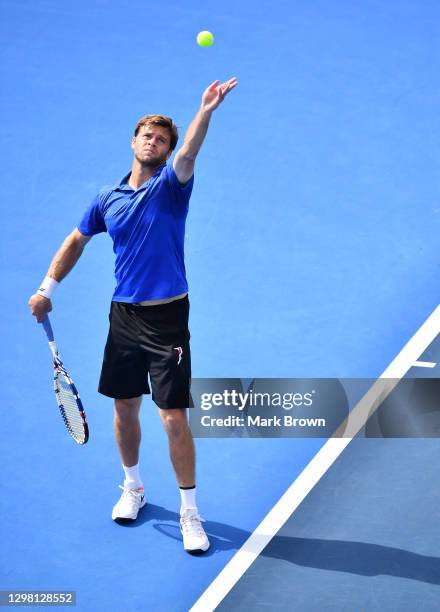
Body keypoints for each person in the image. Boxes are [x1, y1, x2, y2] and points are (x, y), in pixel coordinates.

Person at [28, 77, 238, 553]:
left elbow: (190, 155)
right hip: (123, 317)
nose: (155, 142)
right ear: (134, 142)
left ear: (166, 152)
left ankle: (190, 512)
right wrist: (47, 288)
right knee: (124, 408)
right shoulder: (108, 198)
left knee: (173, 419)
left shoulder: (171, 186)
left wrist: (205, 111)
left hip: (167, 321)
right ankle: (134, 487)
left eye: (162, 139)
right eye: (148, 135)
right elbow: (77, 240)